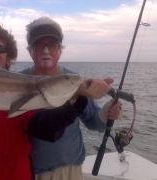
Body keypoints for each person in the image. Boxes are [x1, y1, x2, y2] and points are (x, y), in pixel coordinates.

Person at [0, 21, 118, 180]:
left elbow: (45, 128)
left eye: (0, 49)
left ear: (8, 56)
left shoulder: (25, 88)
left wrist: (79, 101)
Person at [21, 16, 123, 180]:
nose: (46, 51)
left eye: (53, 45)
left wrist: (105, 112)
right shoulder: (18, 82)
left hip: (70, 170)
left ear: (60, 50)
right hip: (28, 171)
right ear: (30, 51)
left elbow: (93, 123)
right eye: (39, 46)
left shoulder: (74, 81)